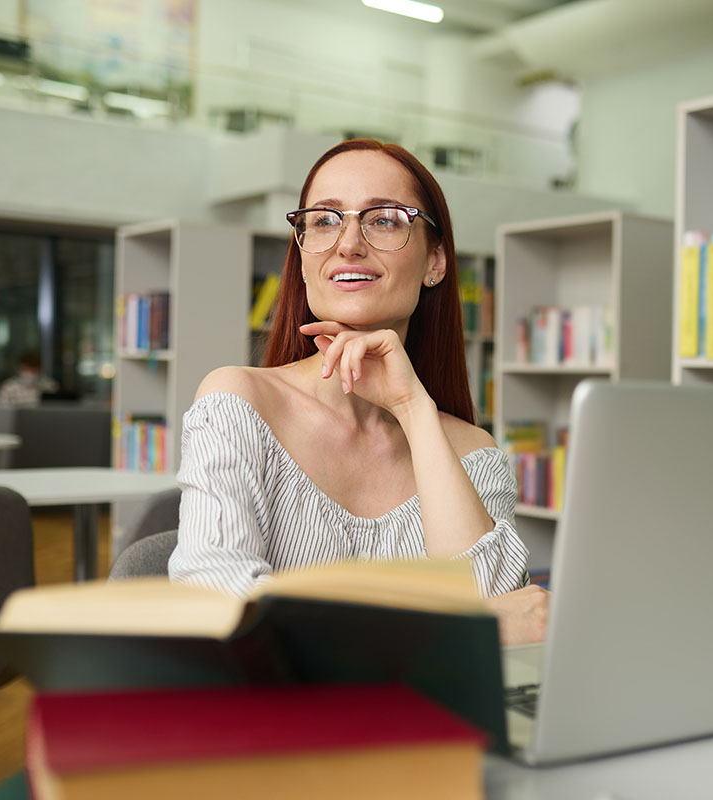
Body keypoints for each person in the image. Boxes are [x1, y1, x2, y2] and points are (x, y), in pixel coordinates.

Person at [168, 138, 548, 644]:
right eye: (324, 221)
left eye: (385, 219)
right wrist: (461, 630)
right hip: (275, 722)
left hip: (428, 722)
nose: (348, 243)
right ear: (302, 260)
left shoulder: (473, 453)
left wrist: (414, 410)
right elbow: (219, 609)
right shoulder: (237, 403)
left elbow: (498, 610)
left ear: (435, 262)